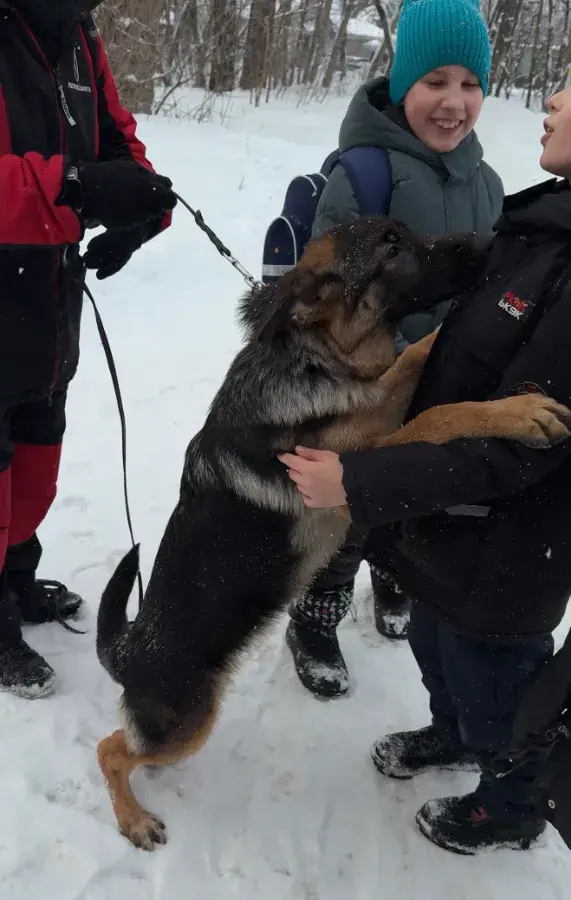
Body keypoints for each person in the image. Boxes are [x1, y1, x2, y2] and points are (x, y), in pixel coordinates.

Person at [279, 84, 571, 854]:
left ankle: (509, 805)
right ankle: (453, 734)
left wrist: (356, 484)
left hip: (505, 561)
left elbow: (518, 446)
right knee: (437, 653)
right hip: (446, 535)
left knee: (499, 692)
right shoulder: (544, 219)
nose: (550, 96)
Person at [286, 0, 503, 699]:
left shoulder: (488, 183)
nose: (453, 102)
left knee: (415, 499)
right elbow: (331, 303)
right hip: (369, 388)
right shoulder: (363, 174)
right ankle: (316, 615)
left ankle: (396, 578)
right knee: (349, 510)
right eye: (434, 81)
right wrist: (404, 355)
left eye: (469, 84)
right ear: (403, 83)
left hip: (449, 382)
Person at [0, 0, 177, 700]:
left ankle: (15, 578)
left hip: (47, 304)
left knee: (35, 464)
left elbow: (115, 138)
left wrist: (143, 207)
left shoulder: (77, 30)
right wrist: (72, 188)